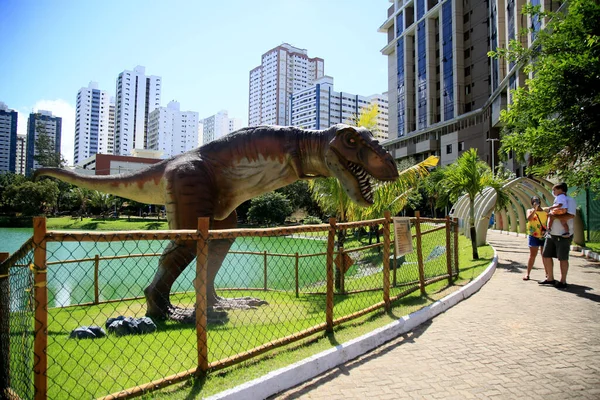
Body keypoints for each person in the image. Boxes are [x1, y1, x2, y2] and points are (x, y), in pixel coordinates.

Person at [539, 182, 577, 289]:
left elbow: (570, 215)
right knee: (546, 255)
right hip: (551, 234)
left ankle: (563, 281)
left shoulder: (570, 200)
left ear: (561, 189)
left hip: (563, 235)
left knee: (563, 258)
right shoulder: (557, 199)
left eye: (554, 189)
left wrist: (555, 216)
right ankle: (550, 278)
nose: (553, 191)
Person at [523, 196, 547, 281]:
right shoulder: (529, 211)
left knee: (545, 256)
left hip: (543, 236)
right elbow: (529, 218)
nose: (536, 203)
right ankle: (527, 274)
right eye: (534, 201)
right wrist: (535, 209)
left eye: (537, 201)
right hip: (533, 235)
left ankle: (547, 274)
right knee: (532, 255)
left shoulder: (545, 211)